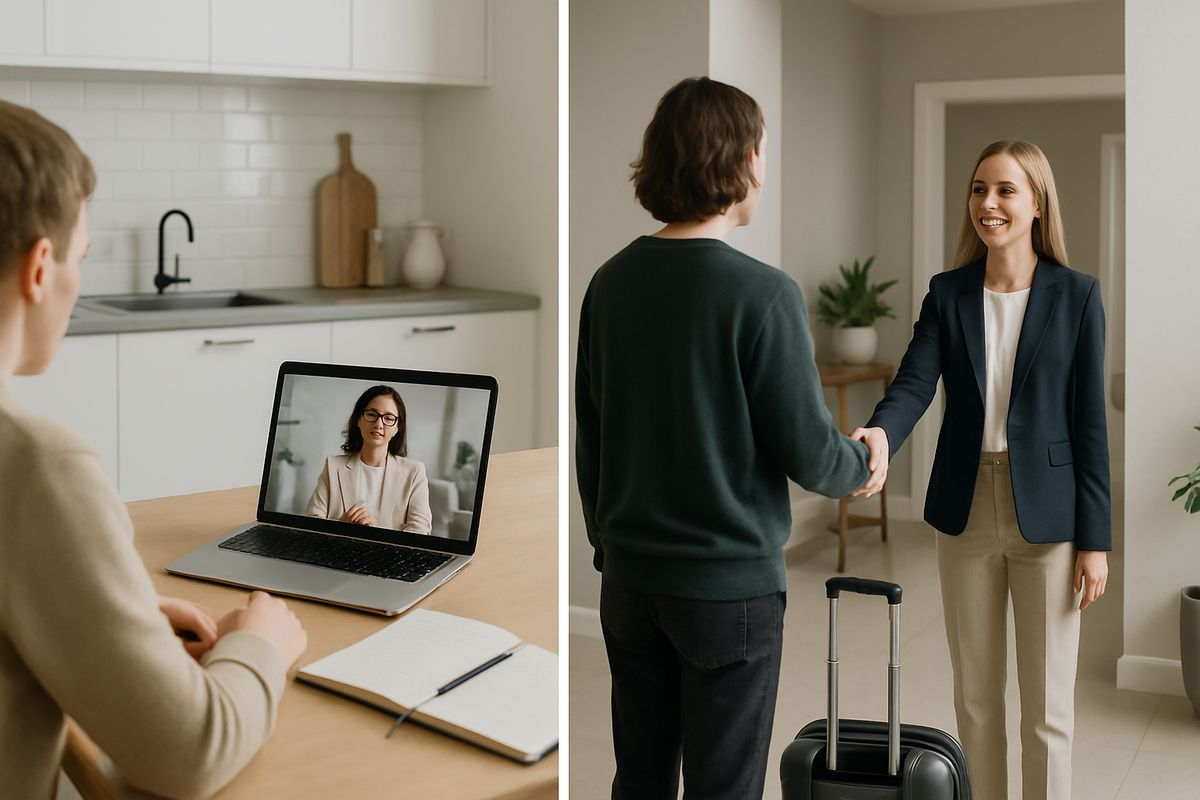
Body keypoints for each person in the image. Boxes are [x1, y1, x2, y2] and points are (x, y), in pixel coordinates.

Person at [0, 99, 308, 799]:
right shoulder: (35, 465)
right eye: (82, 257)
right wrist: (263, 642)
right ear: (40, 268)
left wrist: (109, 611)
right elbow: (189, 754)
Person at [575, 77, 871, 799]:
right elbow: (809, 452)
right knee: (725, 787)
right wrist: (863, 462)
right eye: (762, 150)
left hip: (630, 584)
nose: (764, 169)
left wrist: (609, 547)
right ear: (738, 160)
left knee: (640, 778)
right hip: (726, 595)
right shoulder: (763, 294)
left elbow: (594, 438)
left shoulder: (611, 283)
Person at [851, 140, 1110, 800]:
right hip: (965, 509)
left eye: (1003, 190)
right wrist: (882, 432)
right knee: (977, 700)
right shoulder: (948, 294)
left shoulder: (1077, 296)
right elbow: (914, 382)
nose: (986, 204)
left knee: (1047, 710)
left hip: (1050, 518)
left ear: (1036, 203)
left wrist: (1096, 541)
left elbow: (1089, 425)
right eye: (977, 189)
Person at [306, 385, 432, 533]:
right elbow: (311, 524)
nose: (379, 424)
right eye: (372, 414)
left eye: (389, 418)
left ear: (397, 427)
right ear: (359, 420)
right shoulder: (333, 466)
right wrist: (342, 526)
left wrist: (377, 533)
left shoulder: (414, 472)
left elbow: (420, 531)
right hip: (338, 551)